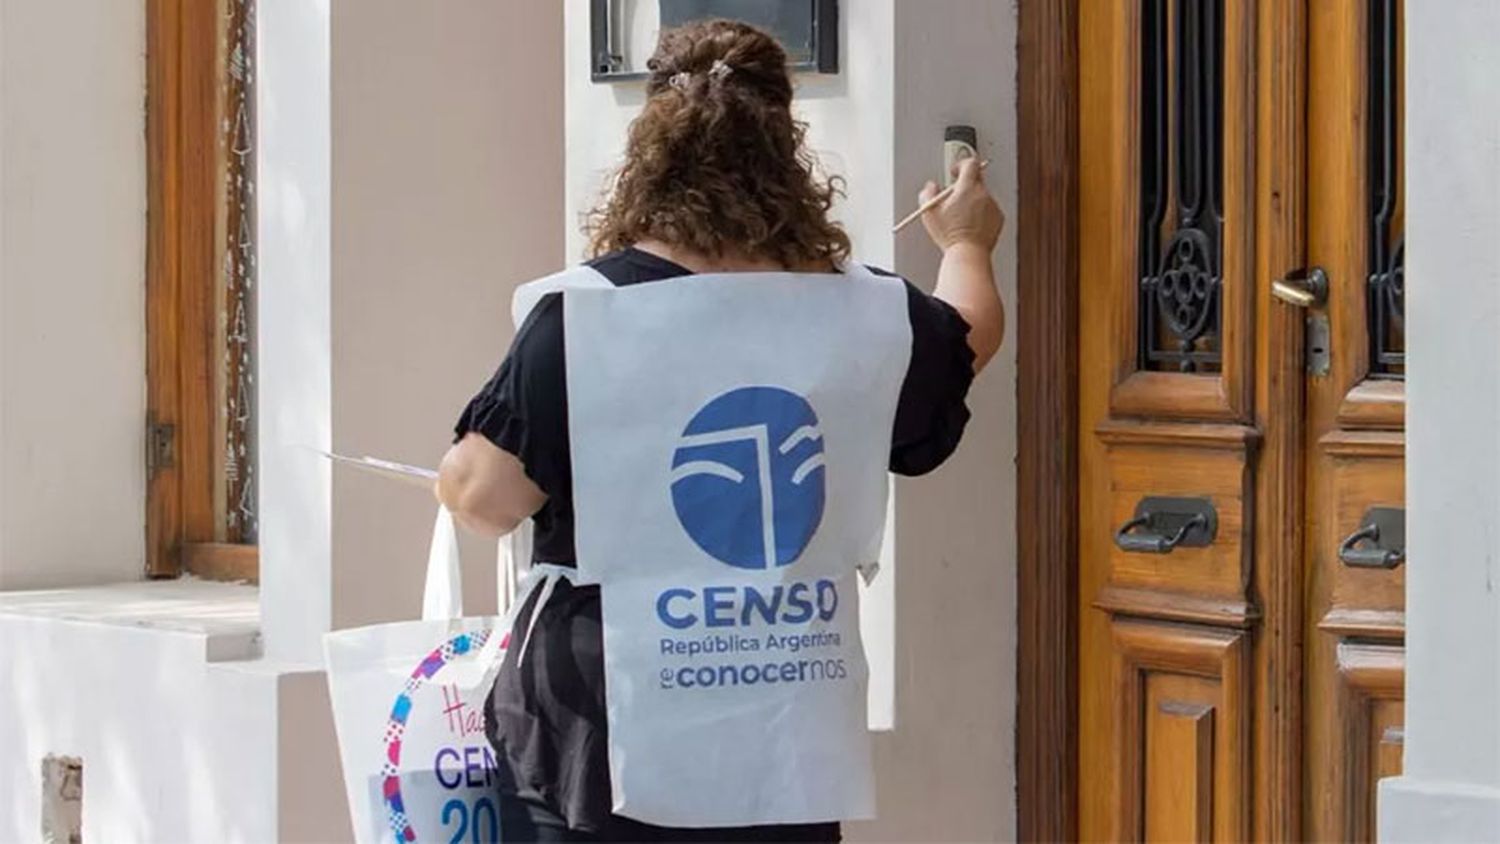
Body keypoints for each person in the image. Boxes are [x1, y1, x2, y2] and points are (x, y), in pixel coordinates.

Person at [437, 19, 1003, 844]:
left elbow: (485, 497)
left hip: (604, 732)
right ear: (787, 150)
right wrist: (966, 244)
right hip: (781, 722)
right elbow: (967, 338)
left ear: (650, 152)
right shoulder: (865, 314)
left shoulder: (586, 316)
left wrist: (452, 472)